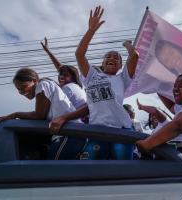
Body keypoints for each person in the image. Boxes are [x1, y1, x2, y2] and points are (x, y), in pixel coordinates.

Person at [49, 5, 139, 160]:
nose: (111, 58)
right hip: (97, 130)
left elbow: (135, 56)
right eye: (108, 57)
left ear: (119, 66)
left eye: (116, 58)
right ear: (103, 63)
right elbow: (79, 54)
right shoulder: (92, 76)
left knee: (123, 168)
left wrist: (127, 45)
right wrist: (91, 30)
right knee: (88, 164)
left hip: (121, 129)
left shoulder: (121, 78)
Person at [0, 68, 86, 160]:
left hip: (68, 135)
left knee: (51, 171)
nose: (21, 91)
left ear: (34, 81)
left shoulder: (42, 85)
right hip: (69, 135)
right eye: (18, 89)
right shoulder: (46, 87)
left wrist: (15, 115)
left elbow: (39, 115)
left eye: (23, 86)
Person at [41, 37, 87, 111]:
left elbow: (58, 109)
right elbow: (61, 68)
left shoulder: (68, 88)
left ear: (73, 77)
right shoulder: (76, 86)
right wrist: (48, 52)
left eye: (66, 75)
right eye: (60, 74)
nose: (61, 77)